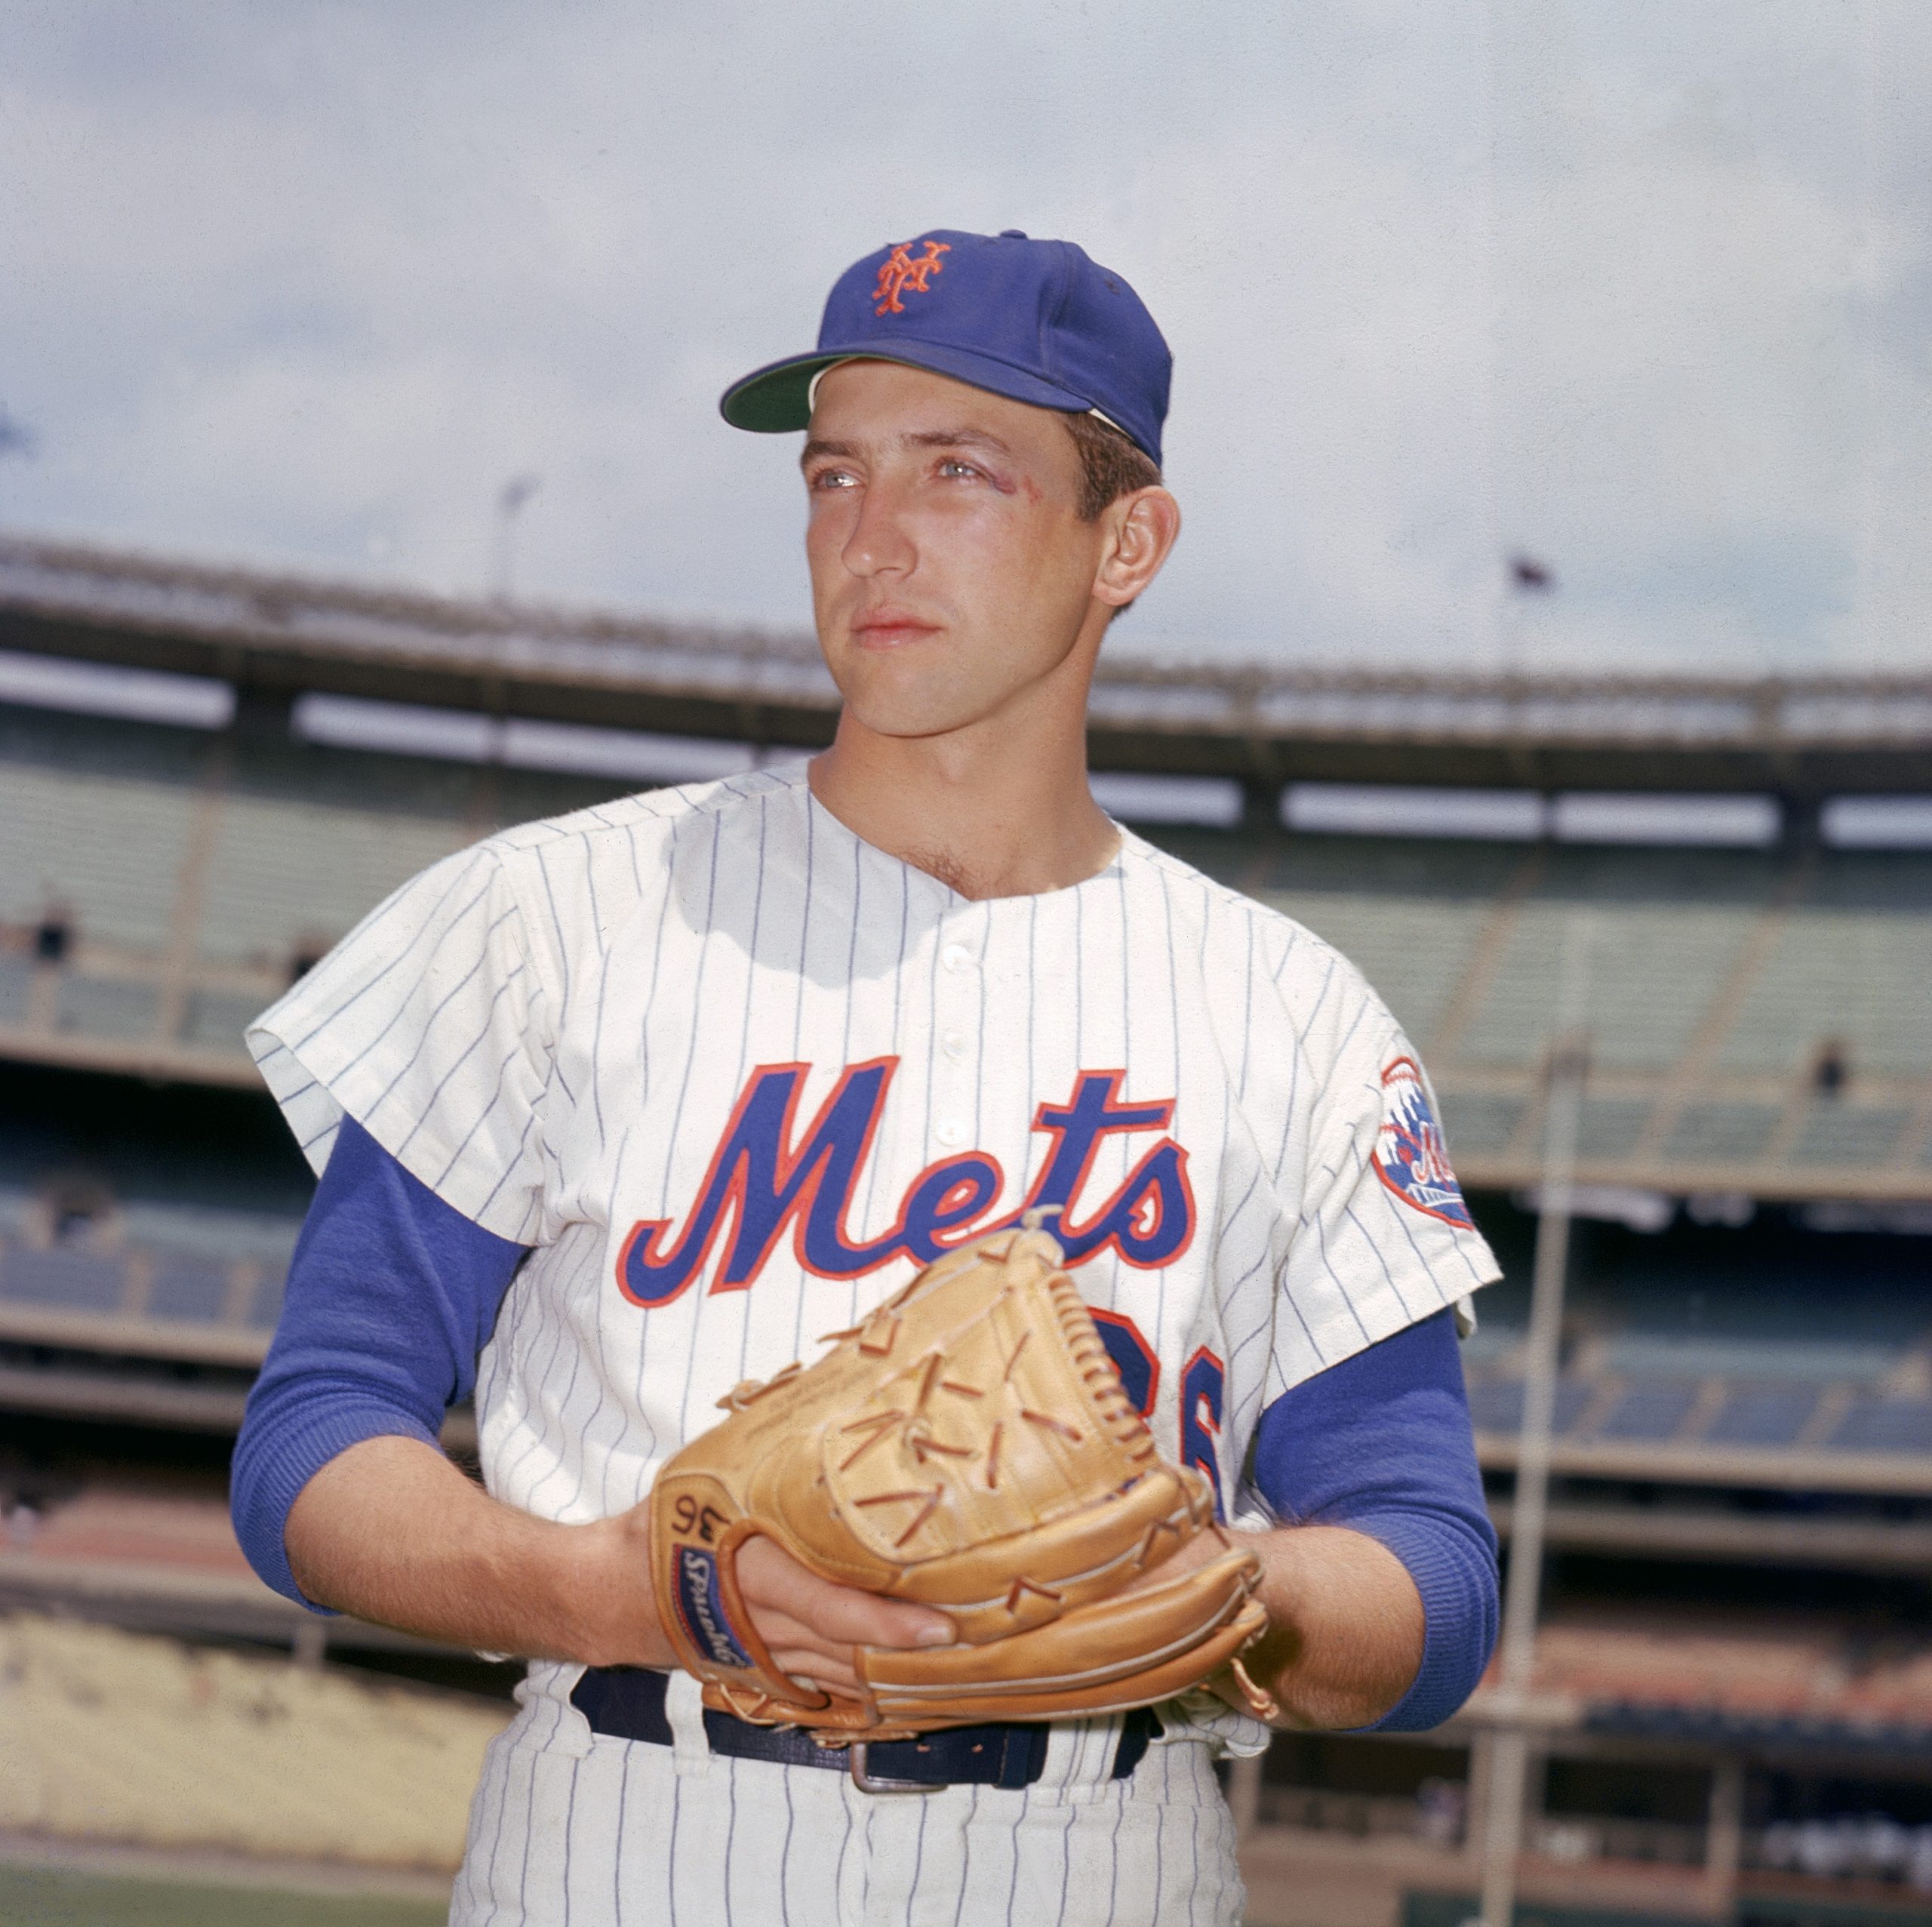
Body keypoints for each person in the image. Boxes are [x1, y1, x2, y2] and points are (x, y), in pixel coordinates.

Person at [233, 228, 1502, 1926]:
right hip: (625, 1835)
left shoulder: (1294, 1013)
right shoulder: (547, 916)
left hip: (1097, 1855)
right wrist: (618, 1587)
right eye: (833, 475)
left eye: (959, 471)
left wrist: (1208, 1593)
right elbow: (314, 1437)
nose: (871, 535)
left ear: (1124, 539)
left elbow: (1425, 1562)